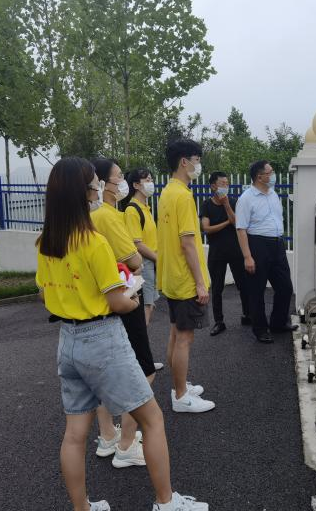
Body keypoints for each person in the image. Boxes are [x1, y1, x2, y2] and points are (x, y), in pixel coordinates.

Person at [35, 156, 208, 511]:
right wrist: (133, 296)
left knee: (74, 434)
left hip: (68, 341)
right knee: (153, 419)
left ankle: (82, 508)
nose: (99, 188)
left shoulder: (45, 242)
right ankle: (166, 502)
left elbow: (44, 294)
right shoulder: (93, 242)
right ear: (85, 191)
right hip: (102, 339)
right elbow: (118, 302)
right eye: (95, 183)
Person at [90, 157, 155, 468]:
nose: (123, 182)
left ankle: (107, 436)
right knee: (144, 370)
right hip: (125, 297)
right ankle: (127, 443)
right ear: (103, 183)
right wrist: (135, 264)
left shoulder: (87, 218)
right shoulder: (109, 216)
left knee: (105, 374)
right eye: (118, 176)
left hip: (98, 303)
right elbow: (134, 261)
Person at [157, 139, 214, 413]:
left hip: (171, 277)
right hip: (185, 279)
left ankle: (178, 386)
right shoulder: (183, 196)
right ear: (184, 162)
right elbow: (188, 243)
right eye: (196, 159)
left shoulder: (167, 192)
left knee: (175, 333)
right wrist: (200, 282)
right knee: (184, 338)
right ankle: (180, 396)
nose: (198, 165)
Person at [236, 160, 298, 344]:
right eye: (270, 172)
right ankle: (260, 329)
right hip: (257, 245)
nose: (273, 175)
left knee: (285, 287)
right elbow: (241, 229)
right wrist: (247, 256)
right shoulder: (246, 198)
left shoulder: (273, 194)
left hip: (277, 244)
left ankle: (278, 323)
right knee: (257, 290)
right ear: (259, 176)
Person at [200, 171, 251, 336]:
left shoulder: (234, 202)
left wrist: (227, 205)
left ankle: (247, 315)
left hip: (236, 251)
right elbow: (206, 229)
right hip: (217, 253)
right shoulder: (206, 205)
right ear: (213, 186)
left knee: (243, 285)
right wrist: (226, 222)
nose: (225, 187)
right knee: (217, 288)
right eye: (222, 184)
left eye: (227, 184)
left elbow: (237, 223)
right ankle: (219, 322)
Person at [122, 169, 159, 325]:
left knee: (150, 303)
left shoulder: (145, 207)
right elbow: (136, 243)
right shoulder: (132, 210)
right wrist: (158, 258)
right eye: (147, 180)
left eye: (151, 180)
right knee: (146, 305)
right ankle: (141, 337)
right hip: (144, 262)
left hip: (151, 260)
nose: (151, 183)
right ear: (136, 185)